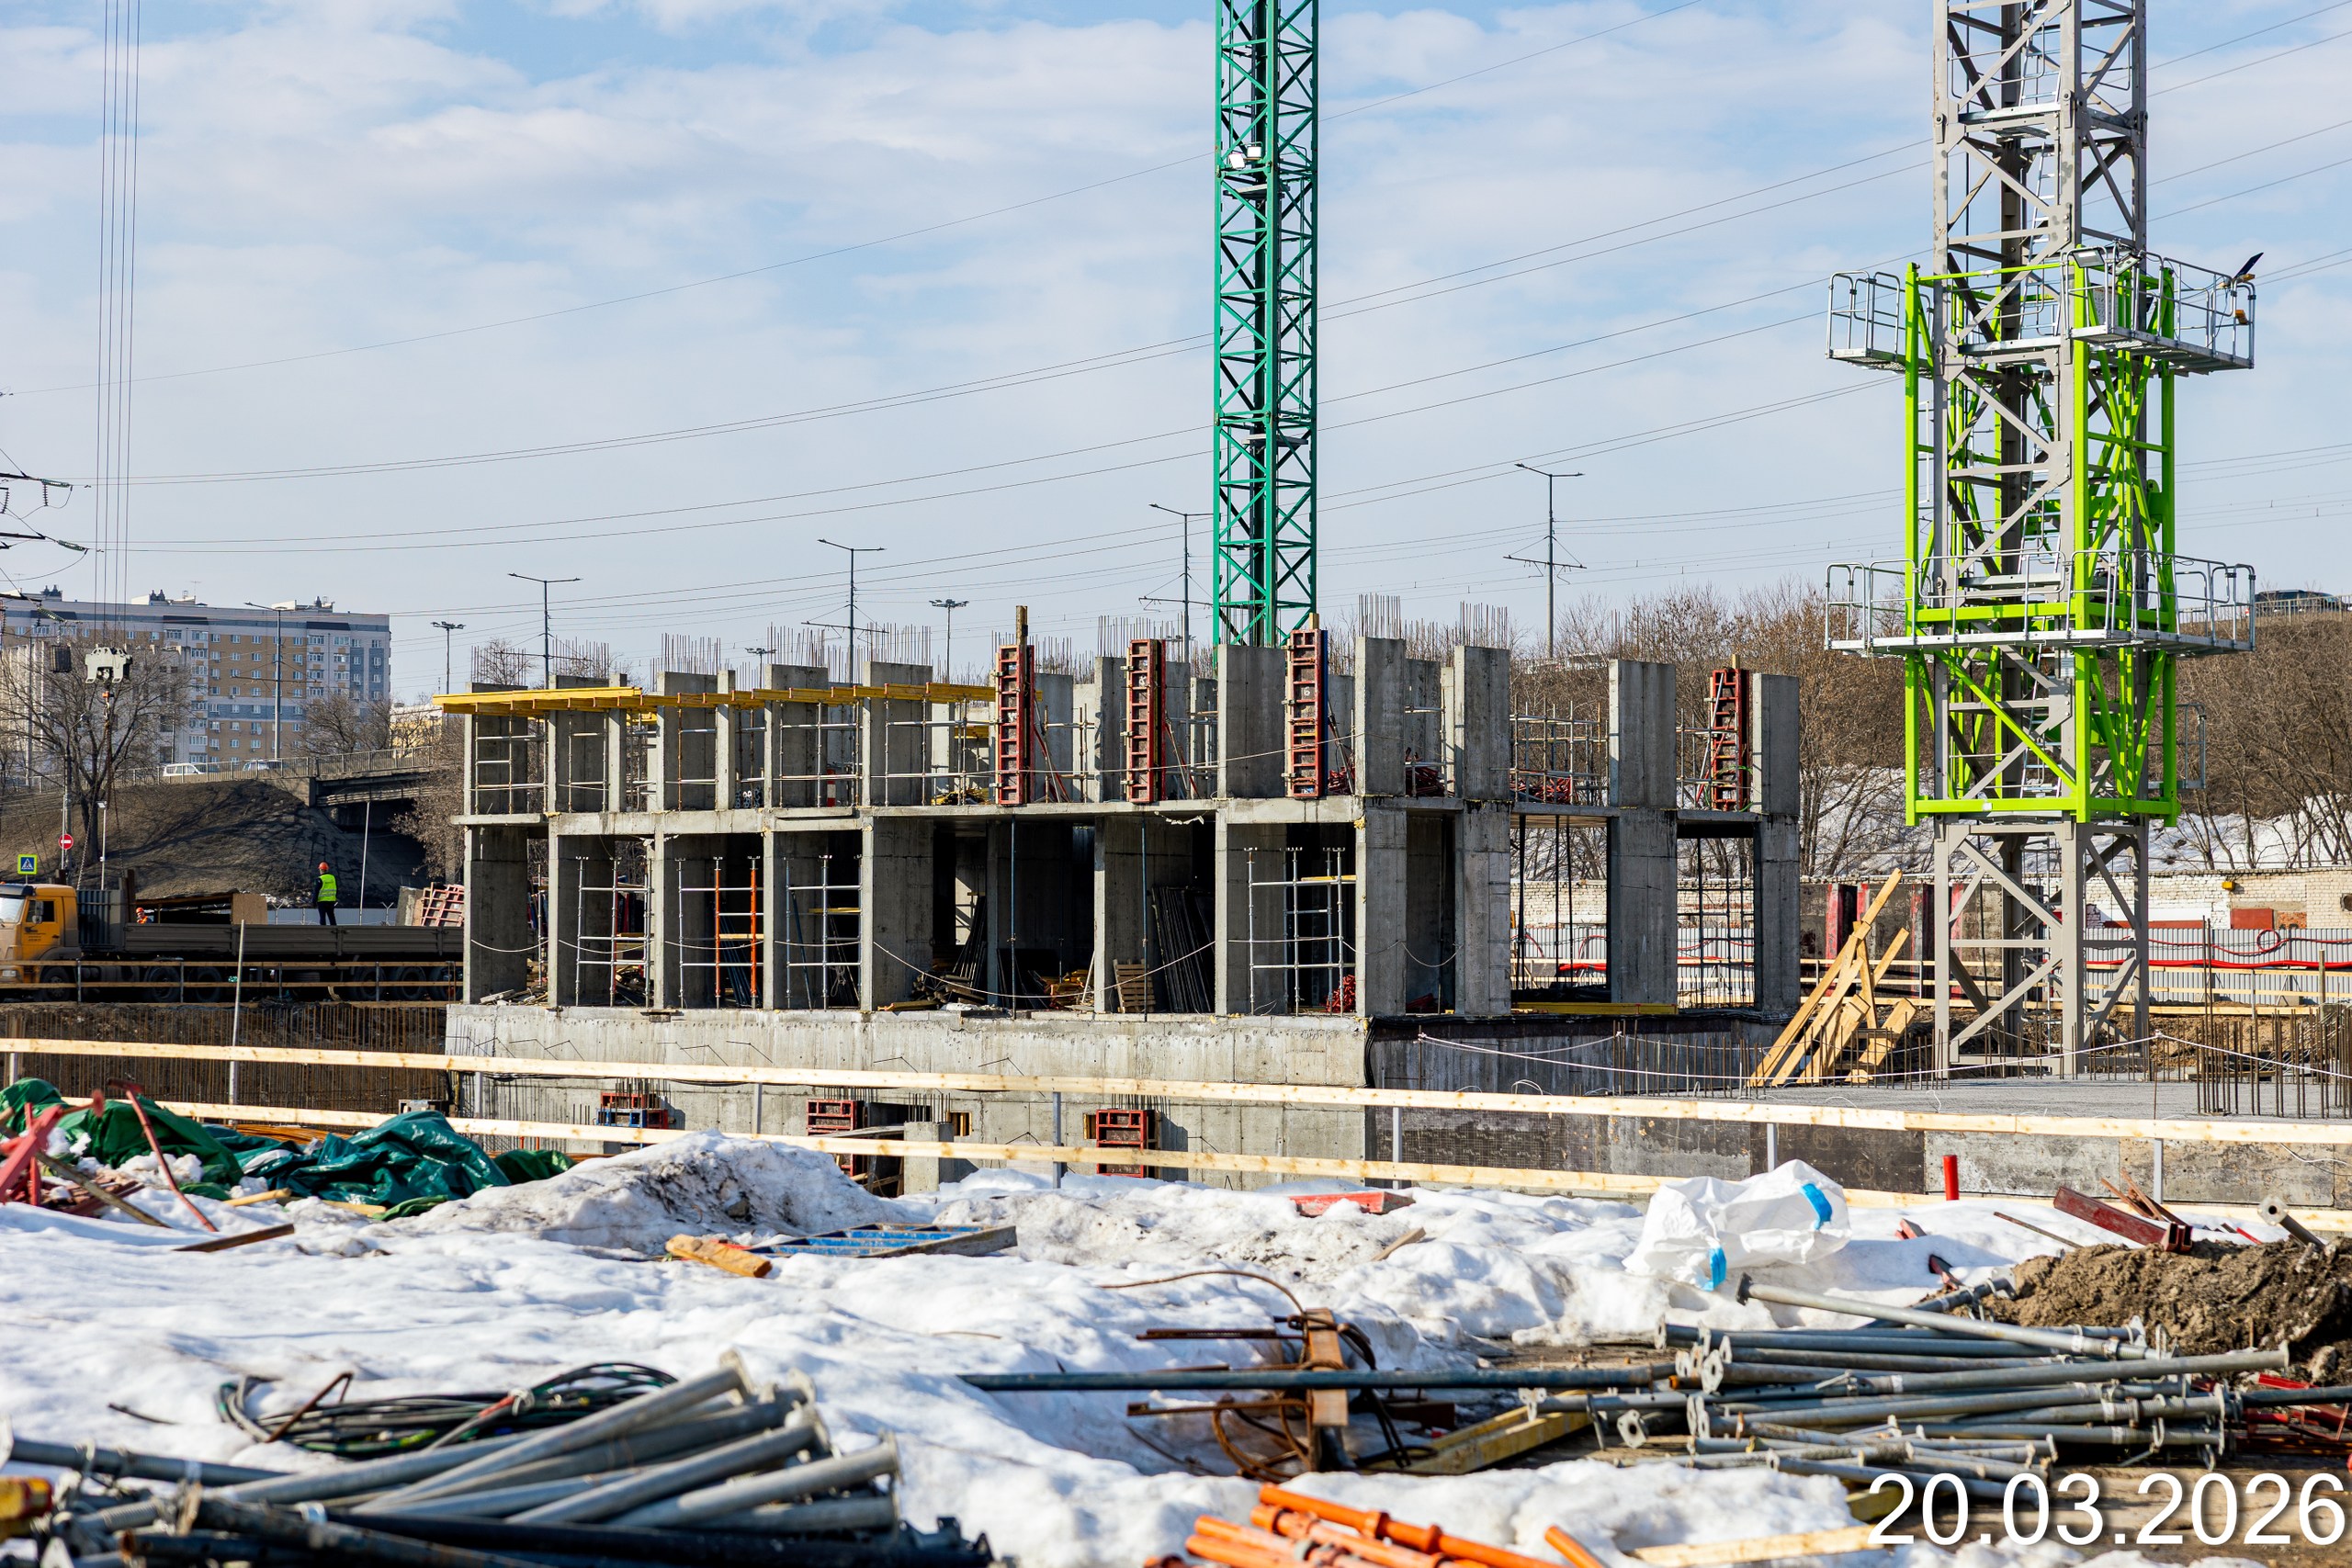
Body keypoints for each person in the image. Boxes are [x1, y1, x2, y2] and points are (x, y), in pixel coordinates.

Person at [315, 862, 338, 926]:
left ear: (321, 870)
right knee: (331, 916)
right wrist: (335, 897)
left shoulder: (319, 879)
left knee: (322, 917)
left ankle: (323, 931)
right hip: (331, 901)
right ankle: (335, 931)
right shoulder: (332, 877)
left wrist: (314, 902)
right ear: (327, 869)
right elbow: (336, 888)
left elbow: (316, 891)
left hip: (322, 901)